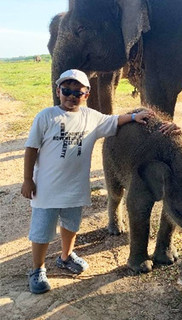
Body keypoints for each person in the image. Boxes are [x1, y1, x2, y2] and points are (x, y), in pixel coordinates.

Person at [22, 69, 154, 294]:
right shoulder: (46, 116)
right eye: (66, 90)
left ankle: (65, 256)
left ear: (87, 94)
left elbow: (114, 120)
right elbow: (31, 148)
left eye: (77, 92)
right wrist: (27, 180)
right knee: (42, 231)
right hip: (47, 188)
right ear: (58, 91)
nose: (71, 95)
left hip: (75, 187)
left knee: (71, 225)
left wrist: (133, 117)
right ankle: (37, 269)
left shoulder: (91, 117)